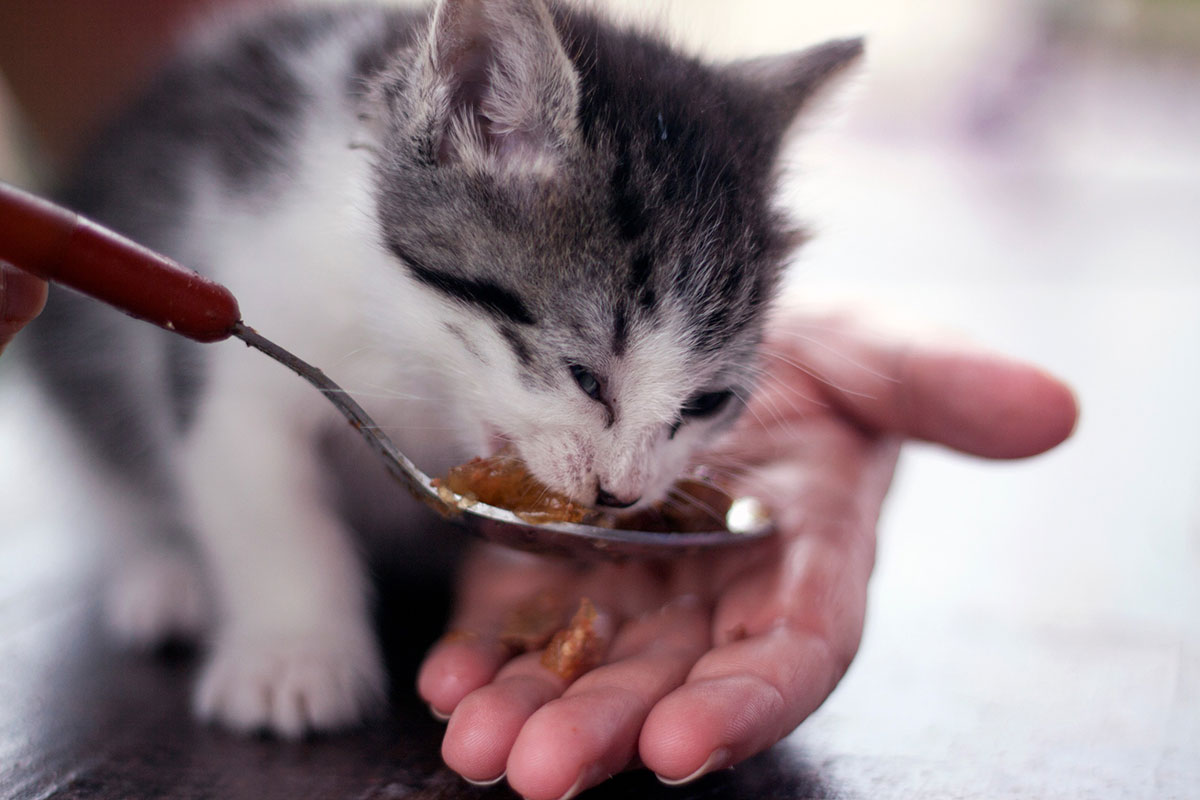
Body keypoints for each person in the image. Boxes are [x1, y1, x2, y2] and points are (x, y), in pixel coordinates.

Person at [0, 5, 1078, 799]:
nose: (623, 478)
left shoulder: (578, 323)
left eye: (698, 400)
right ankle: (159, 538)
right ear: (468, 107)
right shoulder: (314, 193)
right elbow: (225, 385)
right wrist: (291, 617)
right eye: (590, 380)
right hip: (138, 468)